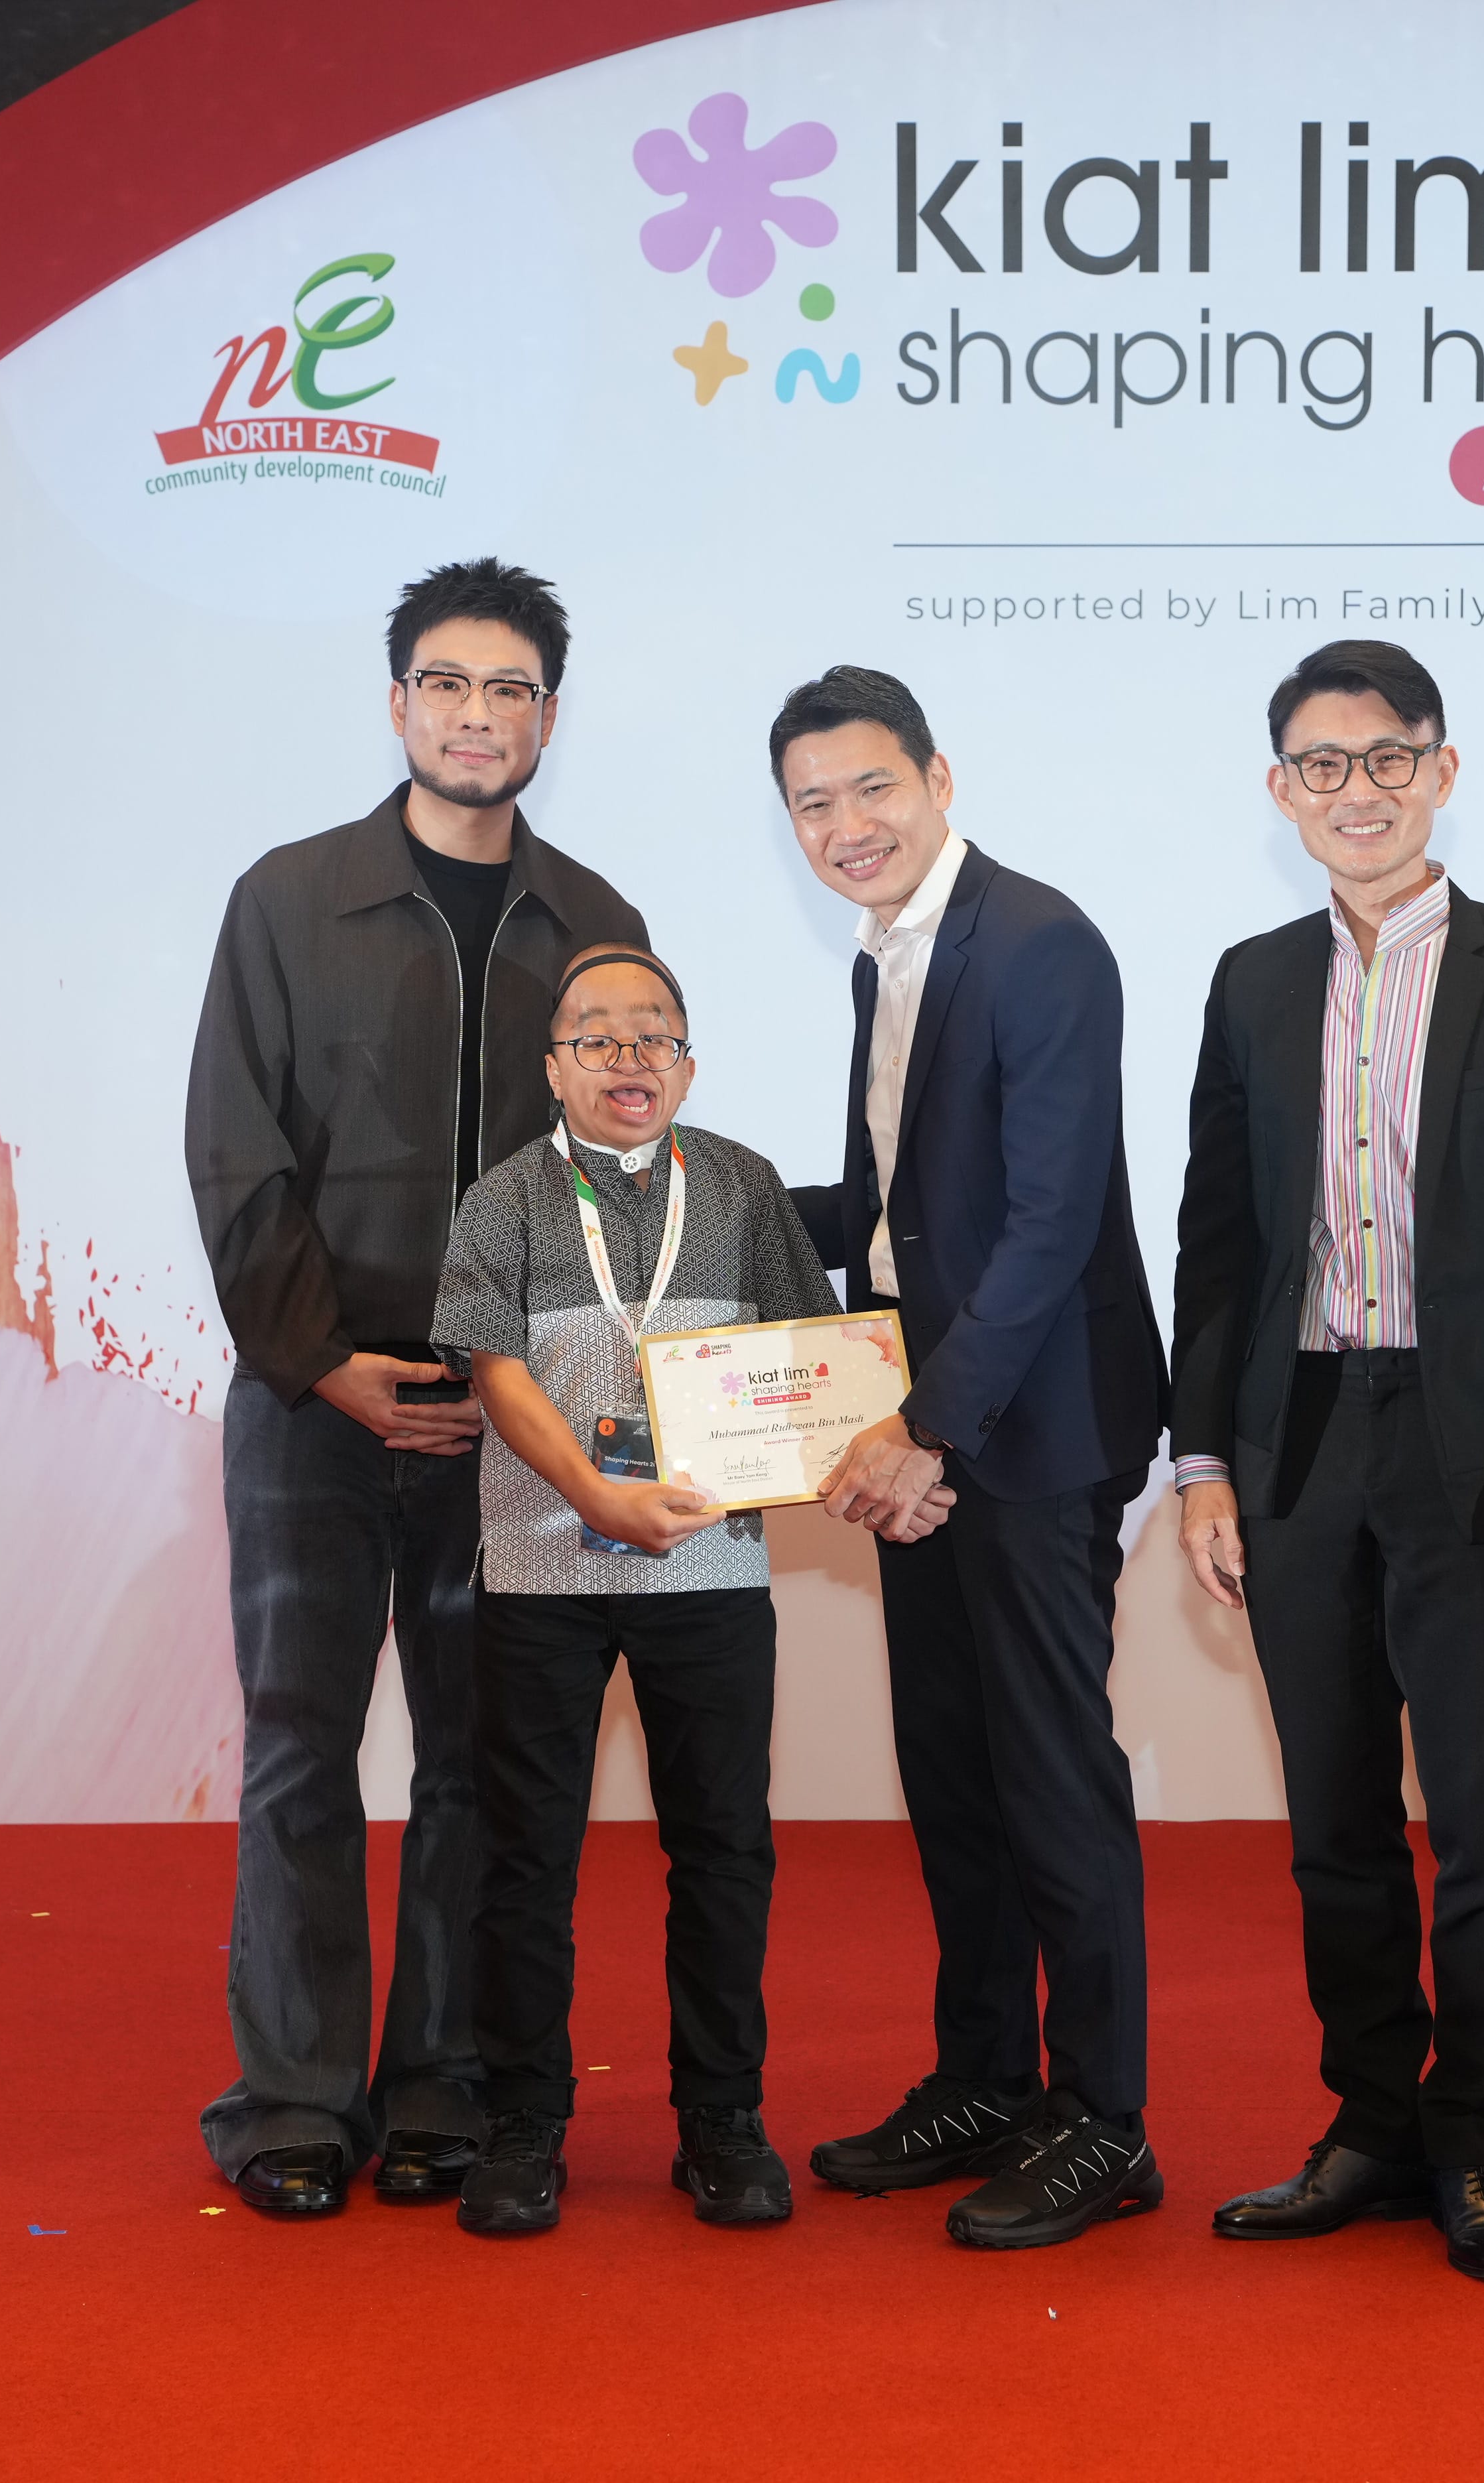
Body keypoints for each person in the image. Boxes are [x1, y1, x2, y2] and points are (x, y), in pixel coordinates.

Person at [184, 558, 645, 2218]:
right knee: (300, 1754)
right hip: (310, 1410)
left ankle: (448, 2078)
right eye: (446, 683)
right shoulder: (289, 900)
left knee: (477, 1765)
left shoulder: (594, 926)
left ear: (546, 719)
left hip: (507, 1426)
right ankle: (294, 2101)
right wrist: (326, 1365)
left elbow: (625, 1172)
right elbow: (235, 1155)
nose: (475, 714)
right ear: (398, 704)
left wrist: (526, 1383)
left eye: (509, 689)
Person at [1170, 639, 1484, 2285]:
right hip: (1296, 1442)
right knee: (1334, 1817)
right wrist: (1201, 1462)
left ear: (1441, 770)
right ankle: (1371, 2124)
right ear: (1280, 788)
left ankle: (1474, 2144)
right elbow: (1217, 1246)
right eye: (1322, 764)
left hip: (1471, 1446)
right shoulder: (1251, 980)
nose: (1353, 792)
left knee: (1481, 1820)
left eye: (1385, 759)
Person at [428, 946, 920, 2235]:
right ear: (554, 1070)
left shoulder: (744, 1187)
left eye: (654, 1035)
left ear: (688, 1066)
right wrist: (595, 1497)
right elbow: (493, 1371)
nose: (627, 1058)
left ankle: (722, 2119)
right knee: (526, 1857)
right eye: (596, 1037)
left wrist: (848, 1449)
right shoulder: (503, 1198)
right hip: (540, 1568)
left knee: (724, 1851)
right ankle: (524, 2122)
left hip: (710, 1570)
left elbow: (807, 1359)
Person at [776, 665, 1172, 2250]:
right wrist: (703, 1200)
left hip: (1028, 1431)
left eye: (872, 788)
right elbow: (896, 1215)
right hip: (921, 1427)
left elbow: (1048, 1223)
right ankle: (989, 2080)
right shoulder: (886, 958)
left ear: (939, 780)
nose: (847, 825)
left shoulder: (1038, 942)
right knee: (953, 1772)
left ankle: (1106, 2121)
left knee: (1052, 1775)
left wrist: (927, 1426)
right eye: (813, 804)